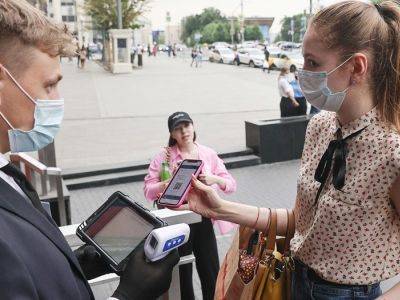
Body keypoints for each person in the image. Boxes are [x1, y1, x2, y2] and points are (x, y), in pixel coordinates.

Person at [175, 1, 400, 299]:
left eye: (313, 63)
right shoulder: (320, 126)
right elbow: (299, 221)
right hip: (293, 279)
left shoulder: (392, 154)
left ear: (356, 67)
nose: (301, 73)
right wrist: (221, 208)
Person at [0, 1, 179, 299]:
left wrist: (78, 263)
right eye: (48, 86)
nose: (57, 100)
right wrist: (128, 296)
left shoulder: (9, 173)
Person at [144, 112, 237, 300]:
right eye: (178, 128)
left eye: (186, 126)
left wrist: (214, 179)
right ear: (172, 134)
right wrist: (167, 183)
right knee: (182, 272)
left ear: (193, 127)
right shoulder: (164, 156)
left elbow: (231, 184)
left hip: (203, 217)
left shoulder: (208, 153)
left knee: (210, 270)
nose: (184, 131)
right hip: (177, 220)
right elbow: (148, 190)